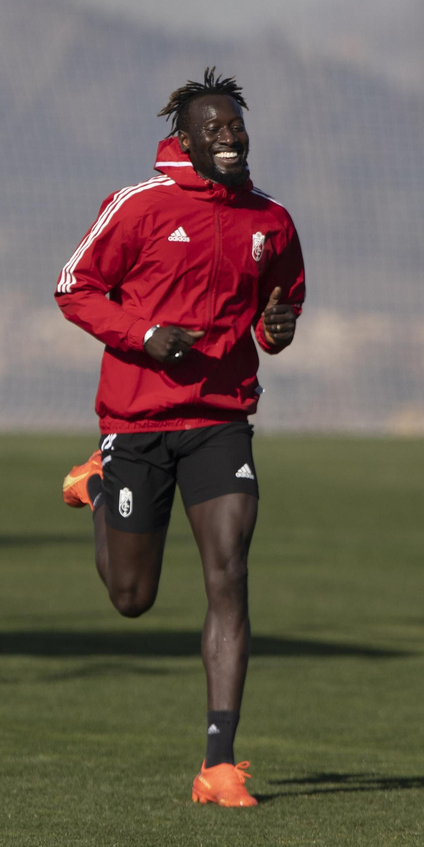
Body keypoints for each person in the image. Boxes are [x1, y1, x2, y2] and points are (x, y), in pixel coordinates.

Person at [55, 68, 304, 808]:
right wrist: (146, 335)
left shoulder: (273, 221)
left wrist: (277, 331)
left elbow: (278, 311)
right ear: (185, 138)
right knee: (132, 597)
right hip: (136, 423)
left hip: (222, 421)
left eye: (236, 124)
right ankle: (97, 485)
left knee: (228, 573)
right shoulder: (138, 206)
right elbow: (74, 287)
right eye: (214, 127)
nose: (229, 135)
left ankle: (220, 762)